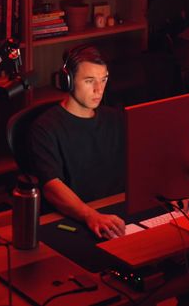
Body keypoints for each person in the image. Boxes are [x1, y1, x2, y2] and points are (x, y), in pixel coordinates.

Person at [28, 44, 126, 239]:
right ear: (68, 81)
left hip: (116, 214)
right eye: (90, 81)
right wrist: (91, 216)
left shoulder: (117, 118)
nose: (99, 89)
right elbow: (51, 186)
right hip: (75, 220)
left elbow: (145, 160)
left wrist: (170, 195)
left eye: (103, 80)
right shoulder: (45, 128)